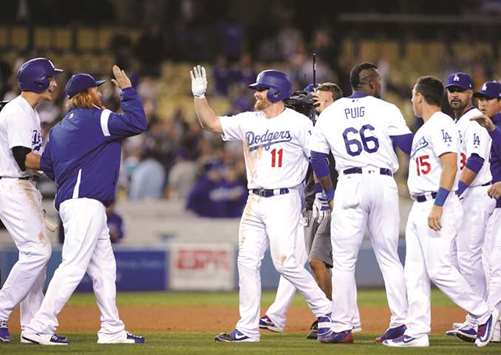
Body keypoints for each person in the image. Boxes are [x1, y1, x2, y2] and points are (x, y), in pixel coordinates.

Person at [190, 65, 332, 343]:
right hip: (255, 200)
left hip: (285, 198)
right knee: (247, 261)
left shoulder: (299, 123)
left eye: (261, 89)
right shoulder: (249, 120)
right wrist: (199, 95)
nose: (256, 94)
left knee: (286, 264)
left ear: (276, 91)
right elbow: (211, 123)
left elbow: (318, 159)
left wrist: (324, 194)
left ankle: (327, 311)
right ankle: (247, 328)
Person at [20, 67, 147, 345]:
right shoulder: (99, 118)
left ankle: (112, 329)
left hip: (75, 203)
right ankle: (39, 327)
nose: (100, 92)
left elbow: (49, 167)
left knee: (104, 268)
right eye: (96, 88)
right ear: (87, 94)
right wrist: (127, 89)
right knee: (73, 267)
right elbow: (138, 123)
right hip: (86, 203)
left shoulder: (59, 128)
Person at [383, 76, 498, 348]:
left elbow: (449, 166)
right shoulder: (425, 129)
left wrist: (439, 203)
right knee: (415, 272)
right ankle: (417, 331)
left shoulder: (442, 123)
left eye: (413, 95)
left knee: (439, 269)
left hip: (437, 203)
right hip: (419, 204)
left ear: (420, 97)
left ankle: (483, 313)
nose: (411, 100)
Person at [310, 62, 410, 344]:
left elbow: (317, 157)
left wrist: (330, 194)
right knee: (389, 256)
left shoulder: (331, 113)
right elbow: (407, 145)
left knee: (343, 261)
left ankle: (342, 326)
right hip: (382, 183)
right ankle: (401, 322)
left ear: (352, 84)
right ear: (374, 84)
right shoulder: (387, 108)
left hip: (349, 184)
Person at [259, 82, 361, 339]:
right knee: (298, 259)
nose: (316, 106)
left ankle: (333, 318)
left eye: (320, 102)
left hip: (333, 200)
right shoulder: (303, 126)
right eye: (314, 102)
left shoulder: (334, 128)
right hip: (312, 202)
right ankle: (282, 315)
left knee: (322, 262)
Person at [0, 58, 64, 344]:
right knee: (37, 252)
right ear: (40, 80)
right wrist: (60, 164)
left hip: (22, 185)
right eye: (52, 77)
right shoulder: (19, 112)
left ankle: (33, 327)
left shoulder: (27, 111)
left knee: (38, 254)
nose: (55, 82)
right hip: (11, 184)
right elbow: (23, 157)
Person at [443, 73, 494, 339]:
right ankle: (475, 316)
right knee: (459, 258)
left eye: (460, 90)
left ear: (470, 93)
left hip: (475, 193)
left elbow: (475, 160)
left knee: (469, 257)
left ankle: (481, 319)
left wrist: (456, 190)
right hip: (466, 194)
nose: (454, 94)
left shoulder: (473, 121)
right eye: (451, 89)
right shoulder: (457, 122)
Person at [470, 80, 501, 342]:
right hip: (496, 206)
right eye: (481, 98)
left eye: (489, 98)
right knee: (490, 264)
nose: (483, 102)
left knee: (496, 267)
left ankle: (492, 322)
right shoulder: (489, 127)